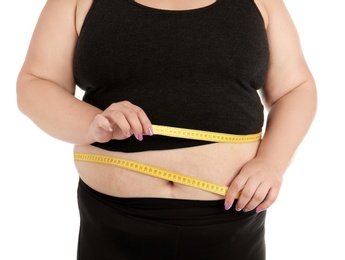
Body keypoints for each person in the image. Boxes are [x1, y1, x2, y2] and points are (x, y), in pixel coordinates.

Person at [16, 0, 317, 259]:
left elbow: (296, 89)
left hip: (232, 220)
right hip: (111, 221)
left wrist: (271, 163)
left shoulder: (261, 3)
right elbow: (36, 83)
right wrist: (92, 123)